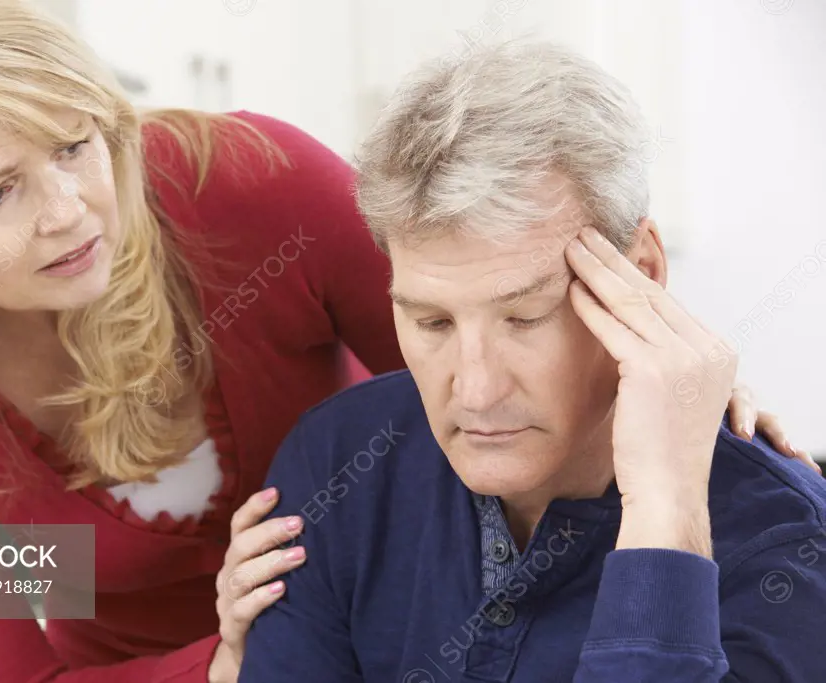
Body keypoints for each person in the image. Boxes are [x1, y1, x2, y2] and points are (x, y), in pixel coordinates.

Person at [0, 2, 806, 681]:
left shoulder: (252, 187)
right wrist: (223, 659)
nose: (73, 212)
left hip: (395, 598)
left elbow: (485, 323)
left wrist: (680, 397)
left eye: (78, 143)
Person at [238, 40, 826, 683]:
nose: (477, 391)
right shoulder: (337, 463)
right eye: (433, 322)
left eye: (525, 319)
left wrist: (665, 514)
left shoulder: (787, 547)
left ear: (642, 274)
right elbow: (100, 616)